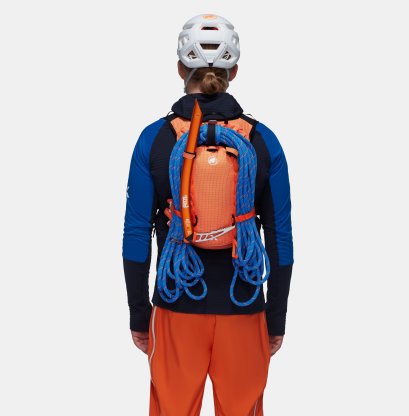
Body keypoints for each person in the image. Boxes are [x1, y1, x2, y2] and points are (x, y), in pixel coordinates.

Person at [122, 14, 294, 416]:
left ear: (180, 68)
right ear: (235, 71)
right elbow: (280, 239)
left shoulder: (155, 138)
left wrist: (139, 314)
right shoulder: (263, 140)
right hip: (244, 303)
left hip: (176, 303)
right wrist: (276, 318)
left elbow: (135, 236)